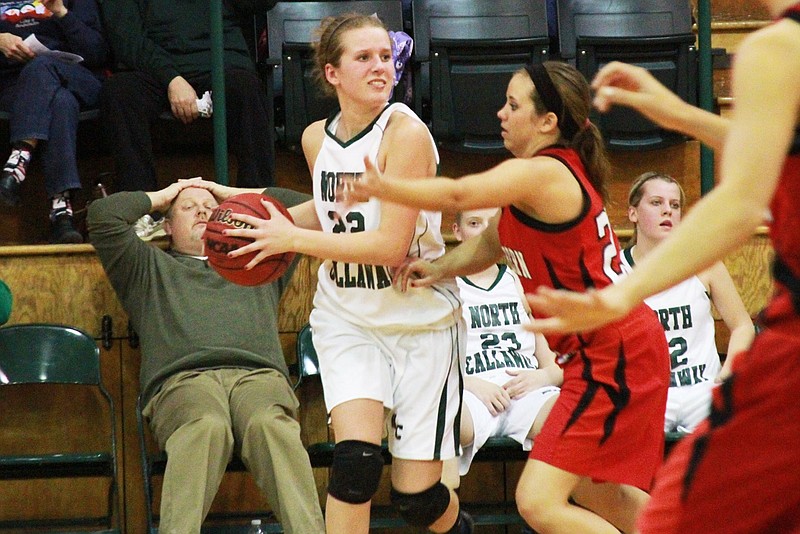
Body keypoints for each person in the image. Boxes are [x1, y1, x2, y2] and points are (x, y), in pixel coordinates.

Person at [337, 60, 671, 534]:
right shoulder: (536, 181)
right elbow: (491, 243)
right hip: (607, 353)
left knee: (536, 501)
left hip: (616, 353)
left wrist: (384, 186)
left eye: (513, 105)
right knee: (594, 488)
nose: (501, 113)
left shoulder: (544, 174)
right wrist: (436, 269)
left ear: (547, 122)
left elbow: (458, 193)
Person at [521, 1, 800, 531]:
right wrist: (679, 116)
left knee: (674, 520)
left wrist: (618, 297)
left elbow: (740, 201)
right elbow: (775, 147)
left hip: (776, 356)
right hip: (674, 388)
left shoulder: (779, 47)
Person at [221, 13, 472, 534]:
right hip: (348, 317)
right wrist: (267, 224)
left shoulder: (405, 134)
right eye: (364, 58)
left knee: (417, 499)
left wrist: (291, 240)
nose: (380, 67)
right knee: (355, 466)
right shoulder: (317, 138)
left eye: (385, 56)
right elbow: (330, 208)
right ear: (332, 73)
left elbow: (388, 245)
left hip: (420, 323)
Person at [86, 178, 325, 534]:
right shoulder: (145, 268)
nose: (201, 210)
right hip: (183, 381)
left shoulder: (258, 257)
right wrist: (164, 196)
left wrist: (236, 197)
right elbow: (103, 216)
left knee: (271, 427)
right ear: (167, 226)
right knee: (206, 426)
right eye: (188, 207)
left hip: (257, 377)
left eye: (210, 208)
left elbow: (316, 210)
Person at [99, 0, 276, 237]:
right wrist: (172, 78)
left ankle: (253, 212)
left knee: (247, 90)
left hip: (222, 61)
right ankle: (141, 213)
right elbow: (127, 38)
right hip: (154, 65)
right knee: (119, 92)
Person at [620, 171, 754, 433]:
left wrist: (728, 373)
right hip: (646, 393)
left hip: (702, 388)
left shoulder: (704, 263)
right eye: (656, 203)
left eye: (675, 205)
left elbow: (742, 325)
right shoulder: (613, 270)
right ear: (633, 213)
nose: (667, 211)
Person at [439, 208, 561, 491]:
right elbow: (428, 367)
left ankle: (549, 510)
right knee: (436, 416)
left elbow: (557, 366)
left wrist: (541, 378)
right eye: (473, 223)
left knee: (578, 416)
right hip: (470, 392)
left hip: (526, 390)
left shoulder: (519, 281)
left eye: (490, 224)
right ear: (456, 232)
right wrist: (467, 383)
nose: (483, 231)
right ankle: (446, 513)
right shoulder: (445, 284)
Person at [0, 0, 109, 243]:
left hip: (78, 77)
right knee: (60, 102)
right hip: (15, 87)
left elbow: (97, 53)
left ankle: (20, 157)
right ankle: (61, 214)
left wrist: (61, 12)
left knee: (43, 67)